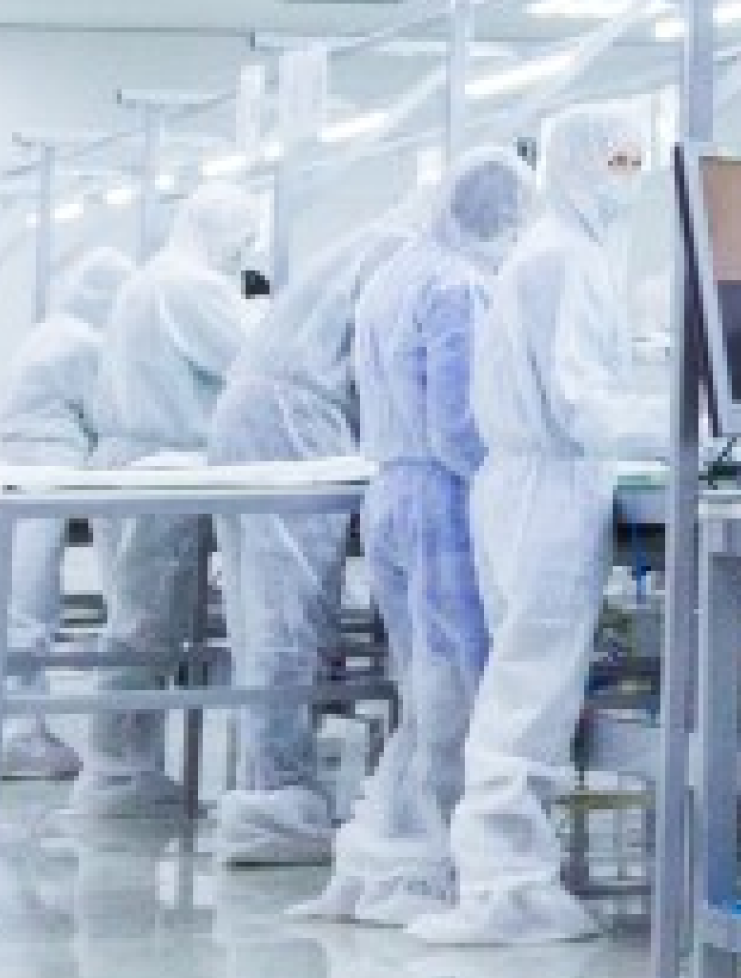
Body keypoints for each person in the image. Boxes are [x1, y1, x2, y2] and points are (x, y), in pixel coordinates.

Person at [415, 100, 661, 949]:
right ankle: (506, 888)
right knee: (531, 688)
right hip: (547, 487)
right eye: (616, 163)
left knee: (523, 682)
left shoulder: (567, 253)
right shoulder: (563, 259)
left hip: (531, 483)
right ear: (575, 163)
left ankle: (501, 873)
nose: (628, 181)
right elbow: (580, 399)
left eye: (636, 162)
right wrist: (687, 431)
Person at [307, 147, 531, 926]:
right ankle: (454, 857)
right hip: (443, 495)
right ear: (502, 217)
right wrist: (511, 475)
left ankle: (399, 846)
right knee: (459, 682)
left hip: (390, 490)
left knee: (419, 678)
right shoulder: (459, 287)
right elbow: (462, 424)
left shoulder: (394, 276)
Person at [205, 186, 399, 867]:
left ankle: (276, 790)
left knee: (270, 618)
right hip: (294, 425)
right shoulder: (404, 257)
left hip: (261, 417)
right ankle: (278, 800)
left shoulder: (379, 241)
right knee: (287, 620)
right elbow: (395, 374)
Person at [66, 182, 270, 819]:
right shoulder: (190, 286)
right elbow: (254, 359)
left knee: (138, 620)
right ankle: (119, 773)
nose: (246, 251)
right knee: (146, 624)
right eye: (243, 237)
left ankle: (121, 767)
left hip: (134, 461)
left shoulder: (157, 278)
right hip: (159, 466)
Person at [0, 247, 138, 781]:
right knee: (31, 606)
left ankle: (18, 729)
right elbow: (111, 412)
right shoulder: (83, 342)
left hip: (20, 469)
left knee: (20, 599)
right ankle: (20, 734)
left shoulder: (49, 332)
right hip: (49, 469)